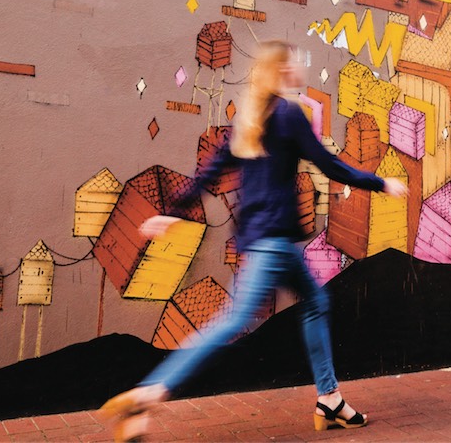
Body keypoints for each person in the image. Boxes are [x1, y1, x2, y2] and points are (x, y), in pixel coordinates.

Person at [98, 39, 409, 441]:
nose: (299, 68)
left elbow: (208, 173)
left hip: (262, 240)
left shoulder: (250, 120)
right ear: (281, 71)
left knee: (315, 303)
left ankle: (330, 399)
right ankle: (148, 394)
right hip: (273, 242)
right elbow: (329, 164)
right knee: (235, 319)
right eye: (293, 63)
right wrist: (380, 182)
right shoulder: (288, 114)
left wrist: (172, 211)